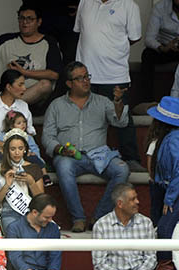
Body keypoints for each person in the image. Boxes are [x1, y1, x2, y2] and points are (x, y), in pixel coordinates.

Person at [42, 61, 130, 232]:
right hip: (69, 156)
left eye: (87, 76)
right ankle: (79, 218)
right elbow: (47, 137)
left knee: (122, 169)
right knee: (63, 165)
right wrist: (60, 149)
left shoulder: (103, 101)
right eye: (80, 78)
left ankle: (98, 217)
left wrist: (118, 101)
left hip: (100, 155)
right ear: (69, 83)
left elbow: (120, 122)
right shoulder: (56, 105)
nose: (85, 81)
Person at [74, 0, 145, 173]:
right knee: (84, 117)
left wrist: (112, 47)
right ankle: (81, 159)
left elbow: (135, 37)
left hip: (114, 74)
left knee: (122, 119)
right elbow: (80, 31)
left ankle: (131, 158)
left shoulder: (129, 6)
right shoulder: (85, 2)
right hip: (86, 74)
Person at [0, 2, 62, 105]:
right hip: (5, 96)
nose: (25, 22)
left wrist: (24, 72)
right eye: (21, 18)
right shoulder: (7, 40)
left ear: (39, 22)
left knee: (45, 84)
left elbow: (54, 74)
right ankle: (7, 105)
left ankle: (9, 106)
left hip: (33, 103)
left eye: (30, 19)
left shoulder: (49, 42)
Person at [0, 69, 35, 165]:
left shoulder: (23, 106)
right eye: (20, 85)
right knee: (0, 165)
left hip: (20, 152)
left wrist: (19, 150)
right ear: (8, 87)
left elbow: (29, 132)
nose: (24, 88)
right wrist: (9, 147)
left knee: (35, 165)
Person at [0, 129, 44, 233]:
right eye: (12, 149)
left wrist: (31, 182)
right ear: (7, 150)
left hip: (31, 213)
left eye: (20, 148)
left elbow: (42, 201)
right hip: (8, 213)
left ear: (25, 149)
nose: (17, 152)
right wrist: (7, 185)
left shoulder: (34, 168)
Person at [148, 97, 179, 263]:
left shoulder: (174, 138)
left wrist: (169, 198)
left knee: (165, 231)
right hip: (168, 189)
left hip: (174, 193)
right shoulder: (171, 137)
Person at [141, 0, 179, 104]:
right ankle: (146, 102)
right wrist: (163, 48)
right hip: (166, 48)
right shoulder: (160, 7)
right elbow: (149, 39)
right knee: (147, 55)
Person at [0, 110, 50, 185]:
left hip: (27, 157)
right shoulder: (5, 136)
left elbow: (35, 148)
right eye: (19, 123)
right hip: (12, 158)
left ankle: (45, 175)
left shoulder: (28, 137)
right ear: (11, 126)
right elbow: (1, 146)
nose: (23, 125)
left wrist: (34, 153)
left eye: (24, 122)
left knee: (35, 158)